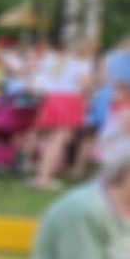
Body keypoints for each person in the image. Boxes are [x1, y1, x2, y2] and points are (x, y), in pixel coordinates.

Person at [34, 38, 92, 189]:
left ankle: (42, 175)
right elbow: (85, 84)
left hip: (53, 99)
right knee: (59, 140)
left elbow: (40, 78)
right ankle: (44, 179)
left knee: (51, 140)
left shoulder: (51, 59)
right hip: (70, 100)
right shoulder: (82, 62)